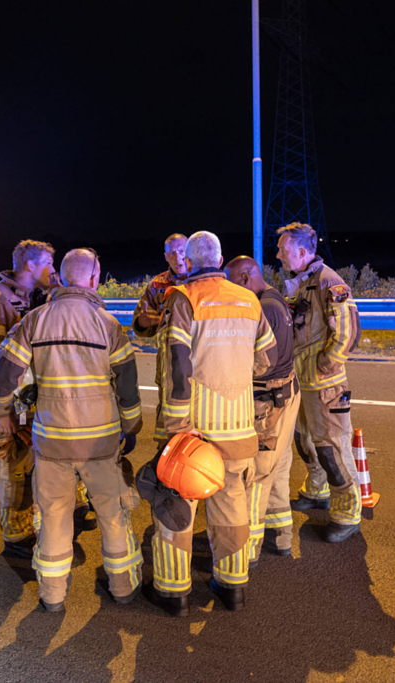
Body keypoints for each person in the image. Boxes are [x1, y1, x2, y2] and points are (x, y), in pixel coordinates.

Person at [0, 248, 144, 612]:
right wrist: (131, 425)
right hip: (101, 444)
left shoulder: (35, 321)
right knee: (112, 514)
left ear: (63, 276)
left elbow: (3, 378)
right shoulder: (108, 325)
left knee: (54, 516)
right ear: (92, 279)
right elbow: (128, 385)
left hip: (52, 443)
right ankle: (122, 587)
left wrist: (5, 410)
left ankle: (52, 595)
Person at [142, 231, 276, 617]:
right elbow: (266, 360)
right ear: (219, 259)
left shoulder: (186, 299)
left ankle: (173, 593)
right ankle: (232, 588)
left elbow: (178, 367)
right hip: (238, 430)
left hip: (195, 433)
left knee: (175, 508)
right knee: (233, 509)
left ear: (191, 259)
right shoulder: (248, 299)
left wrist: (176, 424)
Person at [0, 240, 91, 559]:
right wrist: (0, 410)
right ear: (30, 266)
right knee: (14, 471)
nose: (53, 271)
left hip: (37, 401)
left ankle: (76, 505)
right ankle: (17, 536)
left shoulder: (41, 297)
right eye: (48, 265)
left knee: (47, 460)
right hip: (12, 405)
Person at [275, 223, 363, 543]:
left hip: (323, 385)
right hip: (301, 381)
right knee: (305, 442)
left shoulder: (329, 282)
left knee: (332, 449)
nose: (278, 255)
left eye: (283, 250)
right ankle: (316, 491)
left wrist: (325, 365)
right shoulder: (301, 282)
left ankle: (347, 513)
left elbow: (349, 331)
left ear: (302, 251)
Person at [225, 256, 299, 563]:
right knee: (278, 469)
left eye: (231, 283)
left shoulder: (262, 308)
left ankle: (248, 551)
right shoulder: (275, 298)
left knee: (255, 476)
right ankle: (281, 536)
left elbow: (261, 363)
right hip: (286, 396)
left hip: (267, 404)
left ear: (244, 278)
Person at [131, 233, 189, 338]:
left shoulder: (201, 282)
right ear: (166, 257)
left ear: (190, 252)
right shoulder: (156, 285)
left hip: (197, 352)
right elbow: (140, 323)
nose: (177, 257)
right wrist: (141, 324)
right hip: (168, 352)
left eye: (182, 251)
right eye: (172, 253)